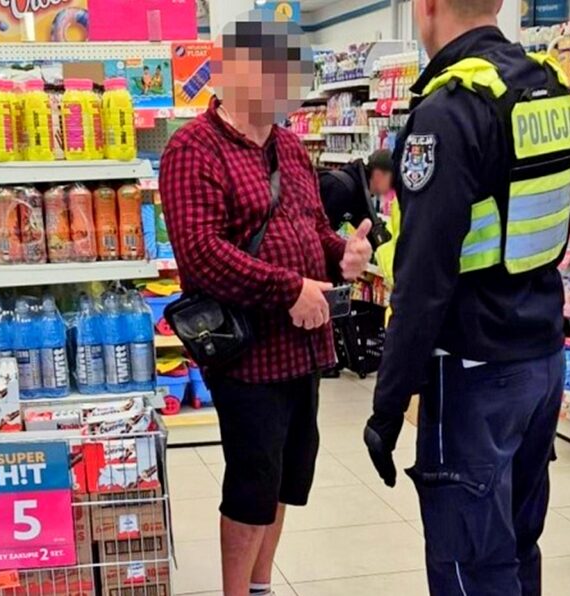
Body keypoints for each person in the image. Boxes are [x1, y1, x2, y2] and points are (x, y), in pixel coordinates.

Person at [362, 1, 570, 594]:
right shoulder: (547, 87)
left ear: (426, 6)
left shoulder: (449, 110)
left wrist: (388, 406)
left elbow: (424, 278)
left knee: (468, 564)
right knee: (516, 546)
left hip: (475, 372)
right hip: (541, 357)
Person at [159, 13, 373, 596]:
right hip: (248, 351)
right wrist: (290, 289)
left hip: (304, 344)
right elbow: (202, 253)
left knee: (287, 476)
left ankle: (260, 585)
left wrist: (343, 256)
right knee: (252, 481)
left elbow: (314, 229)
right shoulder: (192, 149)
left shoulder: (291, 148)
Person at [318, 149, 394, 237]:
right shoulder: (342, 190)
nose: (392, 188)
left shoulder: (359, 196)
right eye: (392, 181)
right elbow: (316, 231)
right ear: (379, 175)